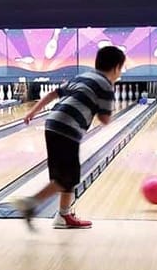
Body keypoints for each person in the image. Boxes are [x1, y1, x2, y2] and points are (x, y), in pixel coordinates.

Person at [11, 45, 125, 229]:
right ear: (116, 68)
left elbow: (52, 93)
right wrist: (109, 112)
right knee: (66, 178)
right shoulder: (105, 86)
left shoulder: (83, 76)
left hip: (52, 124)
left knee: (66, 175)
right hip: (67, 128)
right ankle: (31, 203)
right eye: (121, 68)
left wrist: (33, 111)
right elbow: (104, 119)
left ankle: (63, 216)